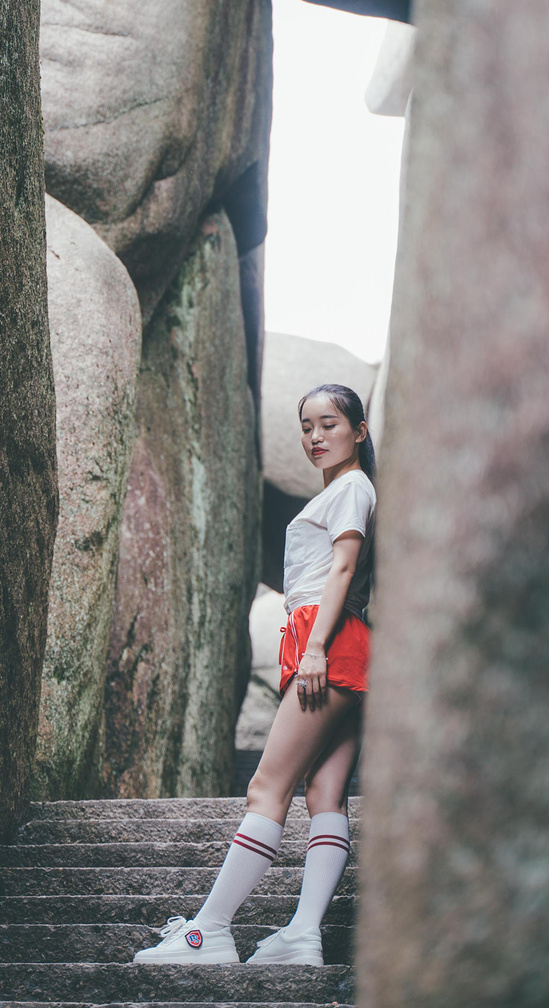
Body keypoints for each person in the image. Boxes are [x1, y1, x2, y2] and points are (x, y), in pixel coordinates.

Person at [132, 382, 376, 967]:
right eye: (307, 426)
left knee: (267, 788)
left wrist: (313, 648)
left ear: (359, 432)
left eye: (330, 425)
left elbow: (342, 567)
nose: (315, 437)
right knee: (325, 793)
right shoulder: (349, 488)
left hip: (326, 637)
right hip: (345, 642)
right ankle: (302, 935)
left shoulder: (350, 488)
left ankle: (208, 933)